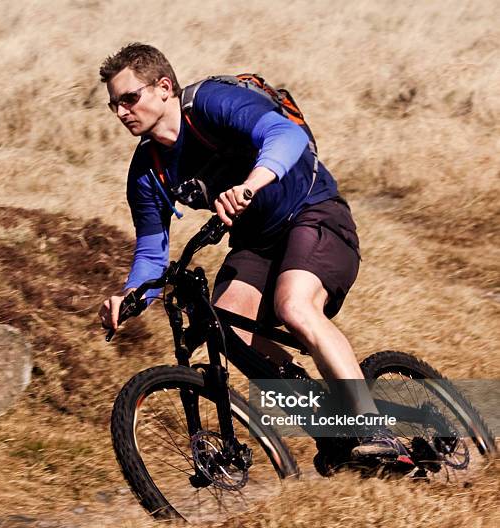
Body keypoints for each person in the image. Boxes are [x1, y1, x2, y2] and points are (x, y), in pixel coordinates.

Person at [98, 43, 412, 467]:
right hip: (256, 241)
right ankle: (327, 423)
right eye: (114, 105)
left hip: (313, 211)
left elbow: (287, 135)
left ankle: (378, 431)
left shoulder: (209, 103)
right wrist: (131, 295)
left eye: (129, 98)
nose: (121, 112)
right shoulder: (147, 170)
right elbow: (153, 251)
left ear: (164, 88)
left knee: (294, 306)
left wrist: (251, 184)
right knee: (223, 324)